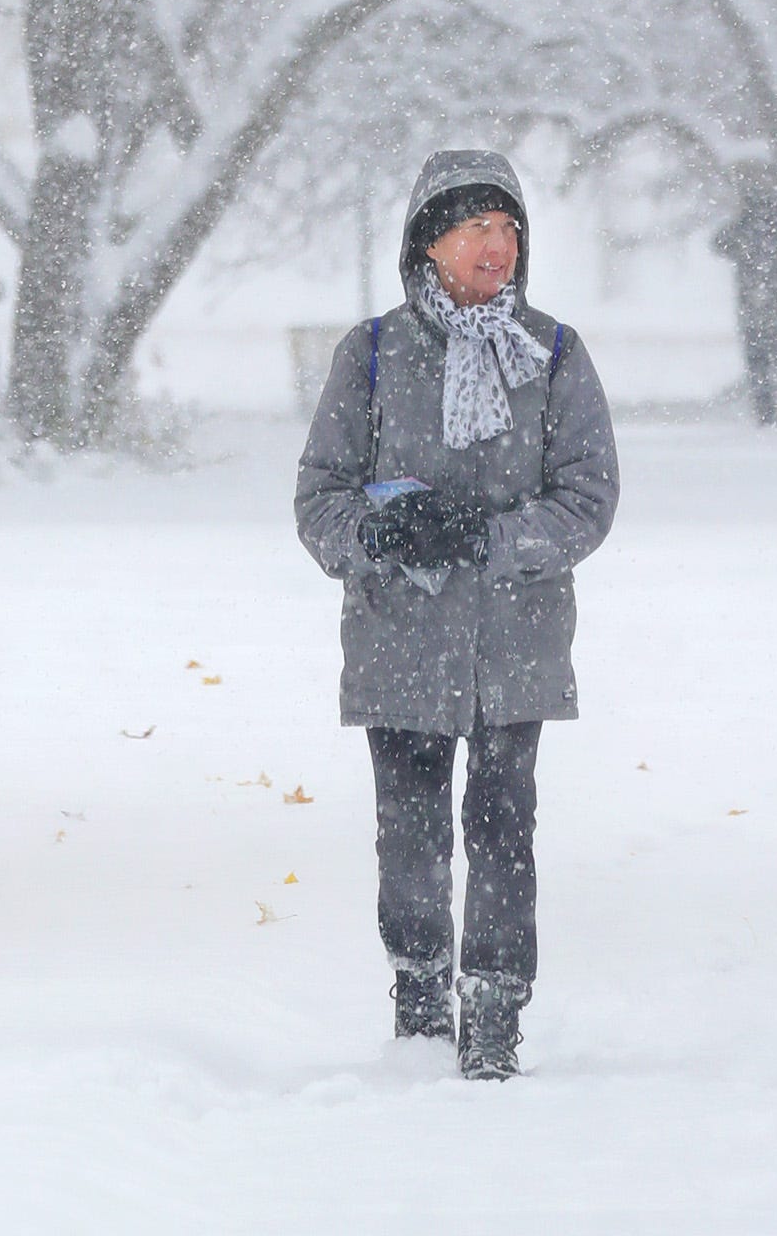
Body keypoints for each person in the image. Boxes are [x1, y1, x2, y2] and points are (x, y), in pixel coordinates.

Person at [295, 147, 619, 1079]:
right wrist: (389, 533)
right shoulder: (370, 354)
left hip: (513, 645)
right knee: (411, 832)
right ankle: (421, 1002)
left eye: (510, 226)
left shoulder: (553, 354)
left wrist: (489, 536)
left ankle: (495, 1019)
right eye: (476, 226)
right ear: (429, 243)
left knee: (503, 830)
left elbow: (587, 500)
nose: (498, 244)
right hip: (399, 641)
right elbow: (320, 502)